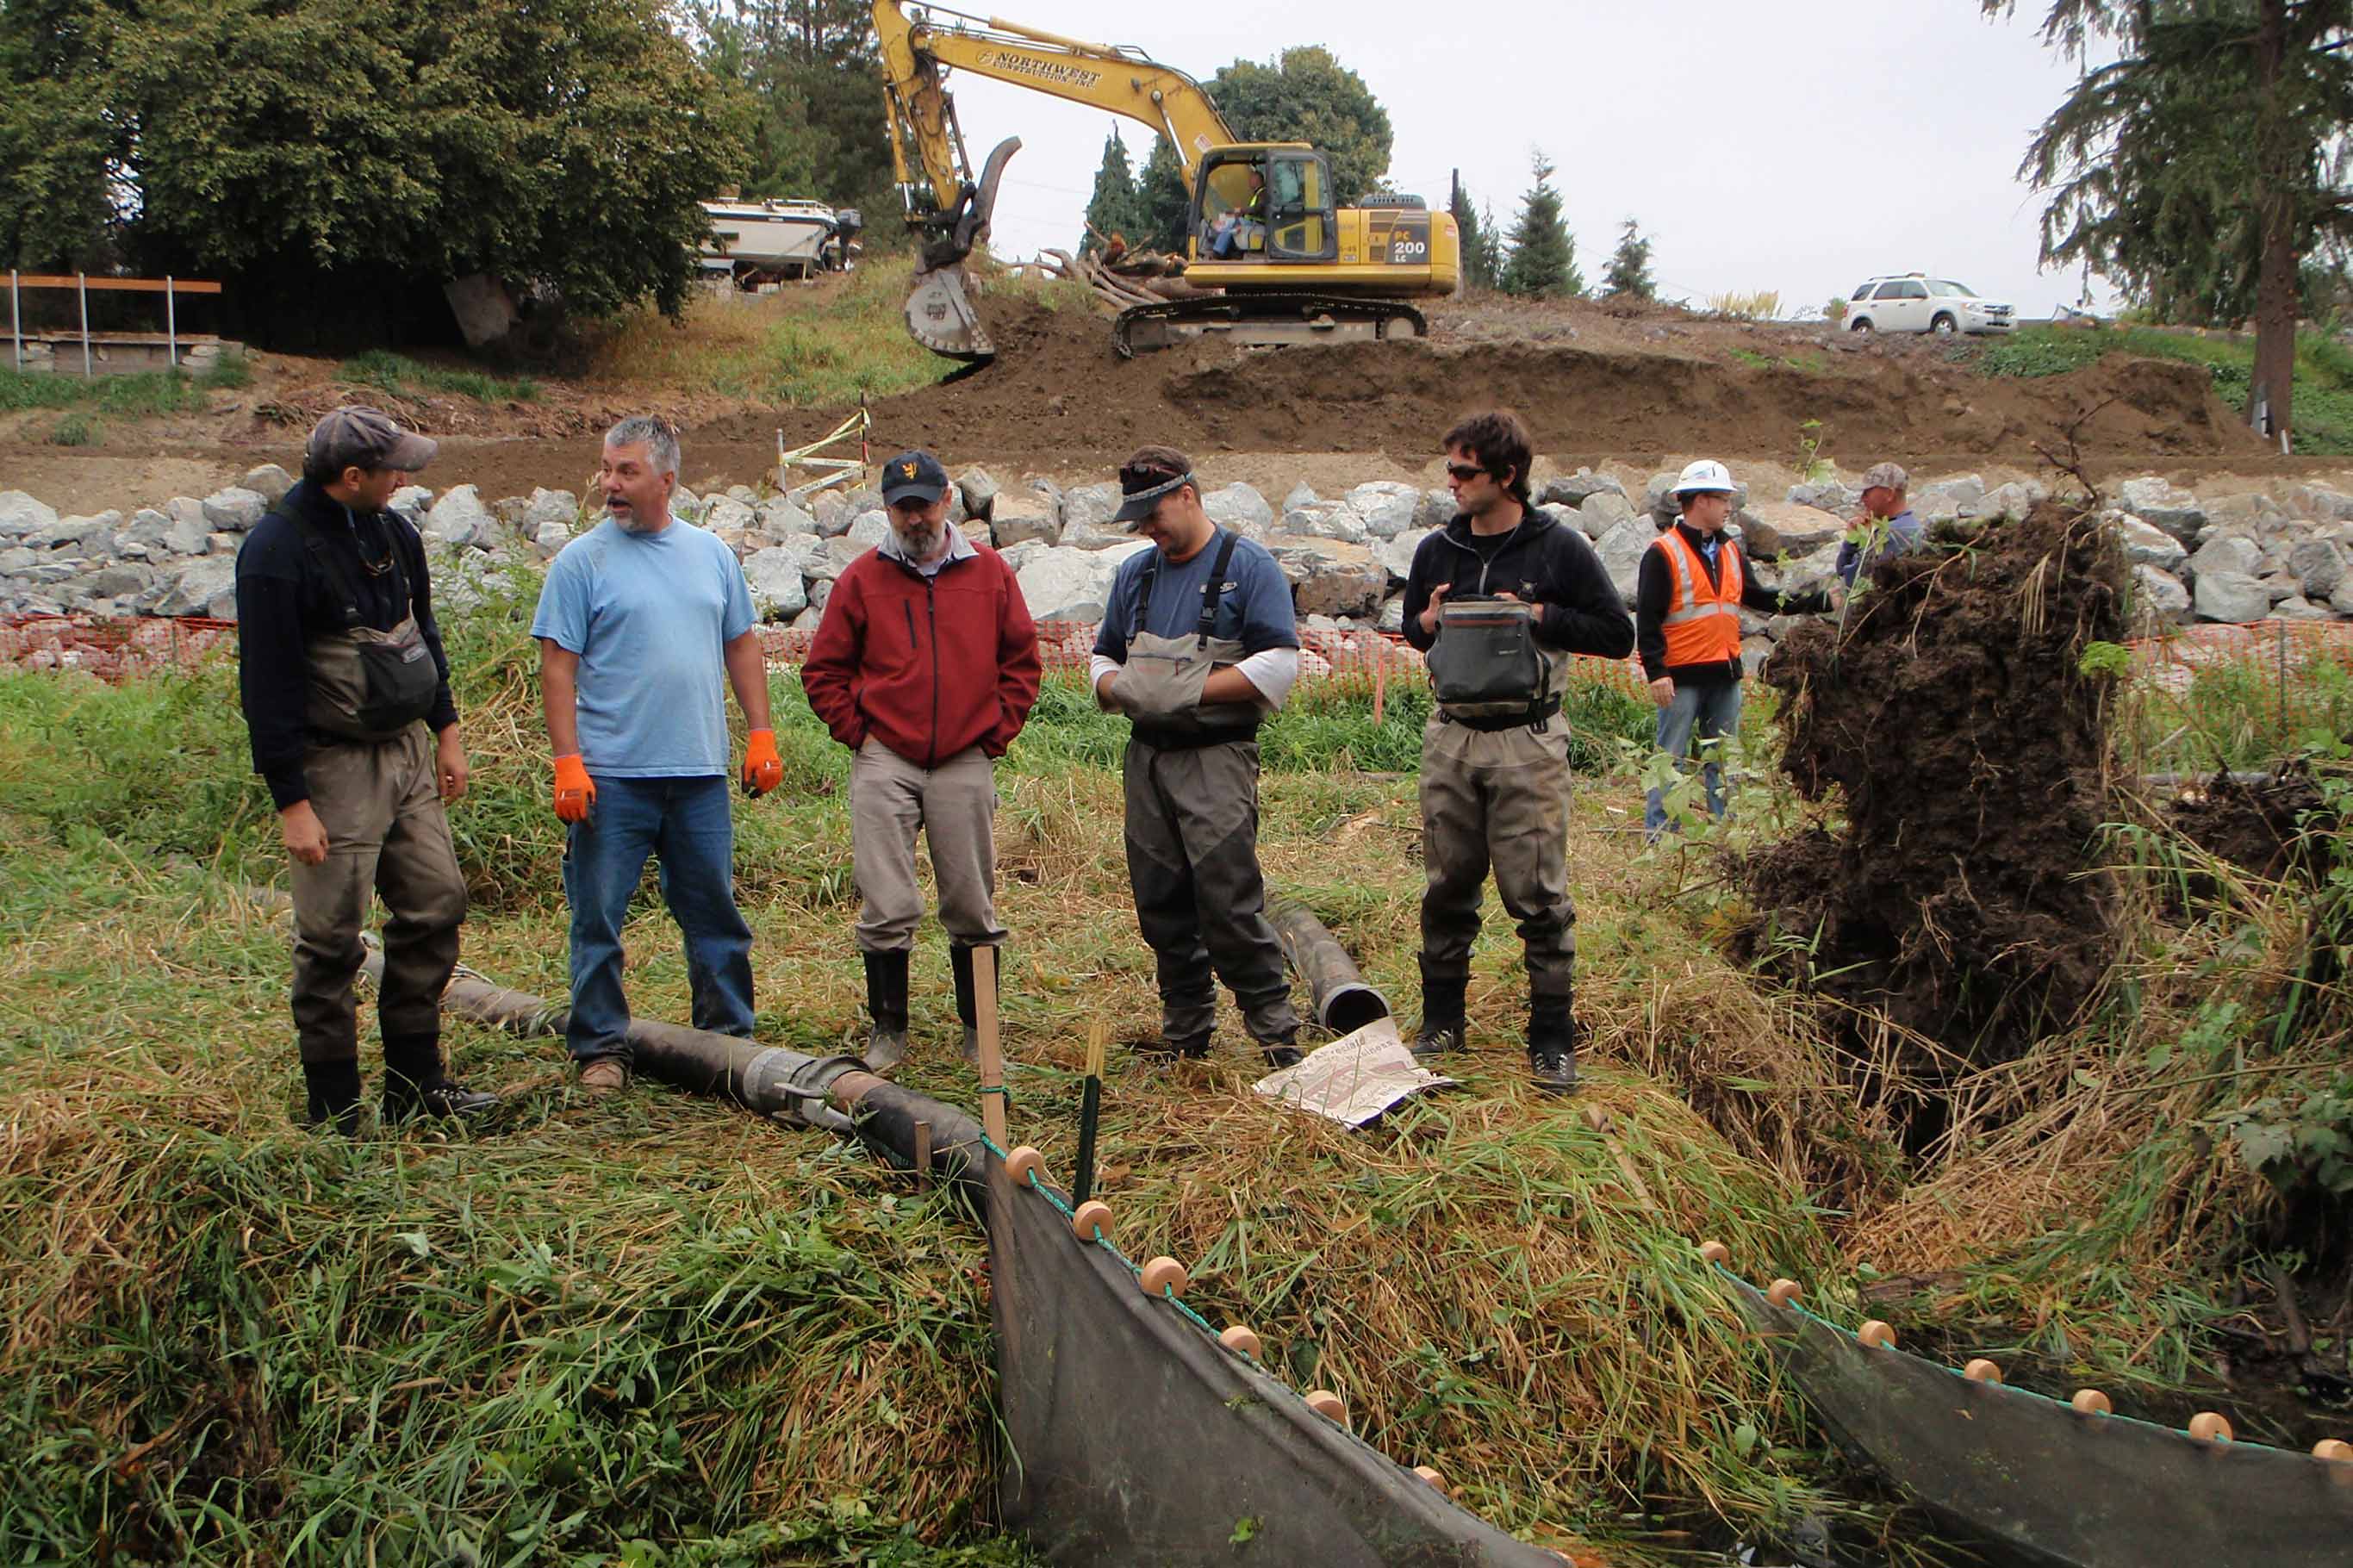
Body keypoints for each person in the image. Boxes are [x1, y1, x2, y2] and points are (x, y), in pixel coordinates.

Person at [234, 407, 498, 1131]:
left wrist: (446, 729)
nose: (404, 479)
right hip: (330, 763)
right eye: (392, 470)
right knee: (330, 940)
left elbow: (424, 636)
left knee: (437, 903)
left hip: (406, 752)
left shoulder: (394, 532)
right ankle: (335, 1109)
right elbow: (266, 687)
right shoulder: (274, 553)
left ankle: (417, 1084)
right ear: (351, 477)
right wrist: (292, 801)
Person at [531, 416, 784, 1096]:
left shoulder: (710, 556)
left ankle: (725, 1044)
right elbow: (558, 666)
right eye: (606, 470)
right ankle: (600, 1049)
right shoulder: (582, 562)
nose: (609, 485)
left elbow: (741, 645)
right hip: (611, 776)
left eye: (626, 472)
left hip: (697, 771)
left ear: (667, 480)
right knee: (599, 916)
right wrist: (567, 761)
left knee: (714, 913)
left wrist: (760, 735)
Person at [1397, 410, 1635, 1095]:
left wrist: (1538, 615)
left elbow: (1616, 634)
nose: (1452, 483)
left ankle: (1551, 1041)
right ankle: (1442, 1024)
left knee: (1536, 896)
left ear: (1506, 476)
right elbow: (1412, 633)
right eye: (1448, 469)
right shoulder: (1435, 551)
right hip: (1450, 738)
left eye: (1464, 471)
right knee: (1446, 885)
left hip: (1527, 741)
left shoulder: (1556, 548)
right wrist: (1427, 620)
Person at [802, 451, 1042, 1073]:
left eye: (925, 505)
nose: (915, 519)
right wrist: (858, 734)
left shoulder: (990, 573)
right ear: (887, 510)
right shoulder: (860, 579)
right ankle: (888, 1031)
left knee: (971, 903)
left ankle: (979, 1033)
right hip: (886, 757)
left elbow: (1021, 661)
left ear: (947, 505)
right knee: (885, 903)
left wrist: (995, 735)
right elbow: (823, 669)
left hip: (964, 755)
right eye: (903, 508)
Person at [1091, 445, 1304, 1067]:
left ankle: (1275, 1037)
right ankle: (1185, 1036)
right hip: (1148, 760)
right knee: (1158, 899)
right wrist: (1121, 688)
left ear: (1188, 495)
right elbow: (1102, 655)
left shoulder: (1250, 566)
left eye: (1153, 513)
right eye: (1137, 520)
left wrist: (1189, 690)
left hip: (1216, 758)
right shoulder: (1134, 574)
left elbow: (1279, 664)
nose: (1146, 529)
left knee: (1227, 899)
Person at [1638, 459, 1839, 838]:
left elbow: (1760, 596)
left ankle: (1725, 836)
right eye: (1722, 498)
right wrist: (1656, 672)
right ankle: (1660, 836)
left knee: (1725, 762)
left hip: (1725, 673)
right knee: (1670, 760)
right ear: (1698, 501)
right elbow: (1647, 620)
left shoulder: (1730, 550)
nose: (1729, 506)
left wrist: (1820, 602)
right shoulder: (1663, 553)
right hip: (1681, 676)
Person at [1837, 461, 1924, 585]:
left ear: (1889, 494)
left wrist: (1851, 541)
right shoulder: (1911, 525)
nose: (1862, 498)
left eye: (1867, 492)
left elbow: (1849, 580)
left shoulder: (1890, 534)